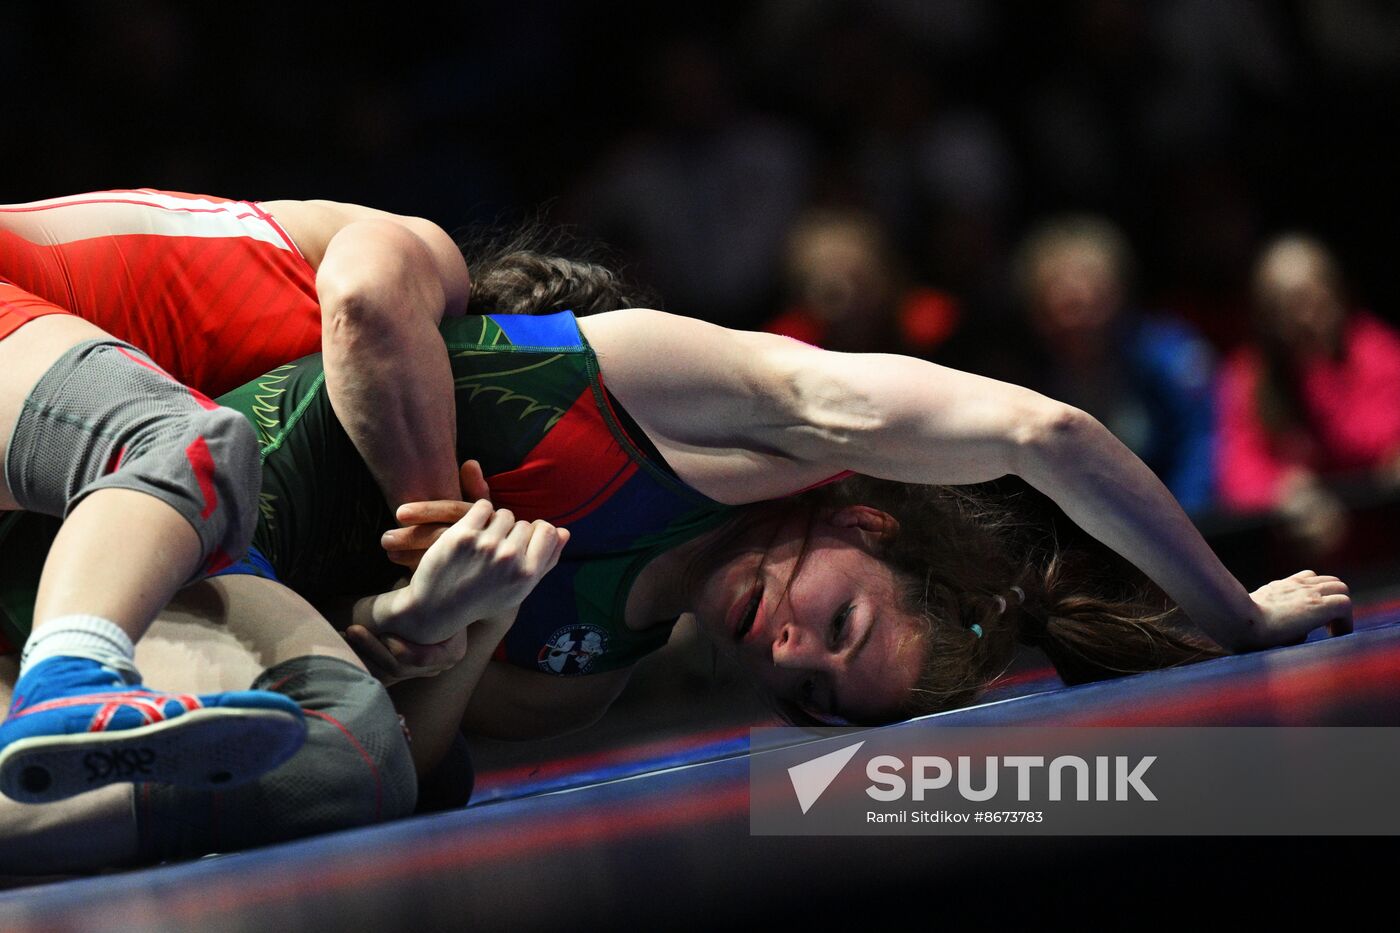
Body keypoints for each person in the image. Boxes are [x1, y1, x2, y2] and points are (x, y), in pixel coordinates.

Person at [0, 241, 1351, 870]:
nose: (786, 651)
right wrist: (1231, 620)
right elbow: (1037, 429)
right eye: (839, 627)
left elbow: (399, 747)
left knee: (363, 759)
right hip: (140, 492)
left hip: (202, 594)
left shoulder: (585, 674)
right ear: (868, 520)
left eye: (810, 692)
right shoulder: (685, 399)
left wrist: (451, 619)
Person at [0, 188, 470, 804]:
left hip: (36, 507)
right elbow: (367, 301)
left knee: (354, 756)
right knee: (184, 443)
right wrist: (436, 538)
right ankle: (70, 676)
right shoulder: (432, 265)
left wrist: (448, 621)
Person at [1015, 215, 1219, 515]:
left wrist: (1178, 534)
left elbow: (1200, 454)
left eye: (1088, 282)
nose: (1074, 301)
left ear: (1119, 290)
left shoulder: (1170, 357)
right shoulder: (1020, 381)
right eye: (1057, 288)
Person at [1216, 234, 1400, 552]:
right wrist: (1282, 489)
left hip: (1383, 548)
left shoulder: (1377, 348)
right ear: (1264, 315)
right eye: (1290, 306)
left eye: (1317, 299)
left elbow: (1380, 433)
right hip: (1300, 566)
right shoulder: (1247, 374)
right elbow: (1236, 472)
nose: (1307, 317)